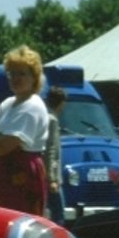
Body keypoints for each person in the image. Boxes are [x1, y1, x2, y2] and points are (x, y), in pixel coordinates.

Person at [0, 45, 49, 215]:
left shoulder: (32, 105)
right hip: (1, 174)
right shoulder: (8, 103)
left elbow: (1, 149)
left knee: (19, 224)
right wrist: (0, 139)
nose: (15, 78)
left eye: (21, 73)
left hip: (22, 175)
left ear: (34, 77)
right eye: (12, 74)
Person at [43, 86, 66, 223]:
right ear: (61, 102)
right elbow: (50, 149)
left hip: (44, 175)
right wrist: (52, 179)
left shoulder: (44, 116)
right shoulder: (52, 119)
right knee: (59, 213)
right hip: (51, 178)